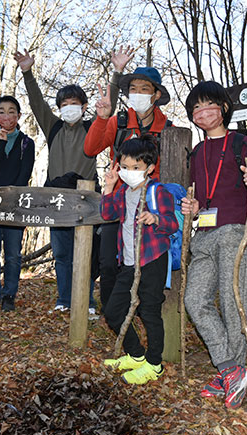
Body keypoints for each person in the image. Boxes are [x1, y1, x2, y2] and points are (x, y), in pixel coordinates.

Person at [13, 47, 127, 314]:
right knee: (62, 254)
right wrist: (27, 72)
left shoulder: (92, 128)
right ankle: (64, 299)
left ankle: (86, 302)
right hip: (55, 197)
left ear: (84, 106)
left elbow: (107, 107)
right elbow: (36, 103)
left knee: (85, 253)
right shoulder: (53, 127)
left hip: (86, 197)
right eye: (64, 105)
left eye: (74, 104)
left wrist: (117, 74)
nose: (69, 109)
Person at [181, 80, 247, 409]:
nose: (202, 112)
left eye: (208, 105)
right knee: (195, 299)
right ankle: (230, 368)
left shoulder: (242, 143)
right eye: (196, 109)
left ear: (224, 108)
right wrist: (194, 207)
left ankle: (234, 370)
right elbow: (201, 196)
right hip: (204, 234)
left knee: (233, 302)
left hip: (236, 230)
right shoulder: (198, 152)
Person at [84, 63, 171, 316]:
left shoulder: (167, 129)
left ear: (156, 95)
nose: (138, 93)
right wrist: (101, 118)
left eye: (145, 89)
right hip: (119, 202)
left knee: (150, 263)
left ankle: (146, 316)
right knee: (109, 261)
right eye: (133, 88)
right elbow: (90, 149)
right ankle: (114, 313)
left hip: (151, 206)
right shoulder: (118, 122)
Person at [100, 134, 178, 385]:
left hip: (153, 259)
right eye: (125, 167)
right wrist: (109, 187)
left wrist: (155, 219)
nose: (129, 171)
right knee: (112, 310)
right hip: (129, 263)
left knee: (149, 310)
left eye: (136, 167)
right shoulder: (123, 191)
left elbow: (172, 223)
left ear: (150, 168)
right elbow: (107, 213)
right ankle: (136, 355)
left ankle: (154, 365)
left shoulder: (158, 191)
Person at [0, 96, 35, 311]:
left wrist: (12, 202)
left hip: (16, 206)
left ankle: (10, 293)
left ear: (18, 116)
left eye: (12, 111)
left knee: (13, 253)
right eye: (2, 111)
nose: (7, 116)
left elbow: (24, 175)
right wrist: (0, 145)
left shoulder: (27, 143)